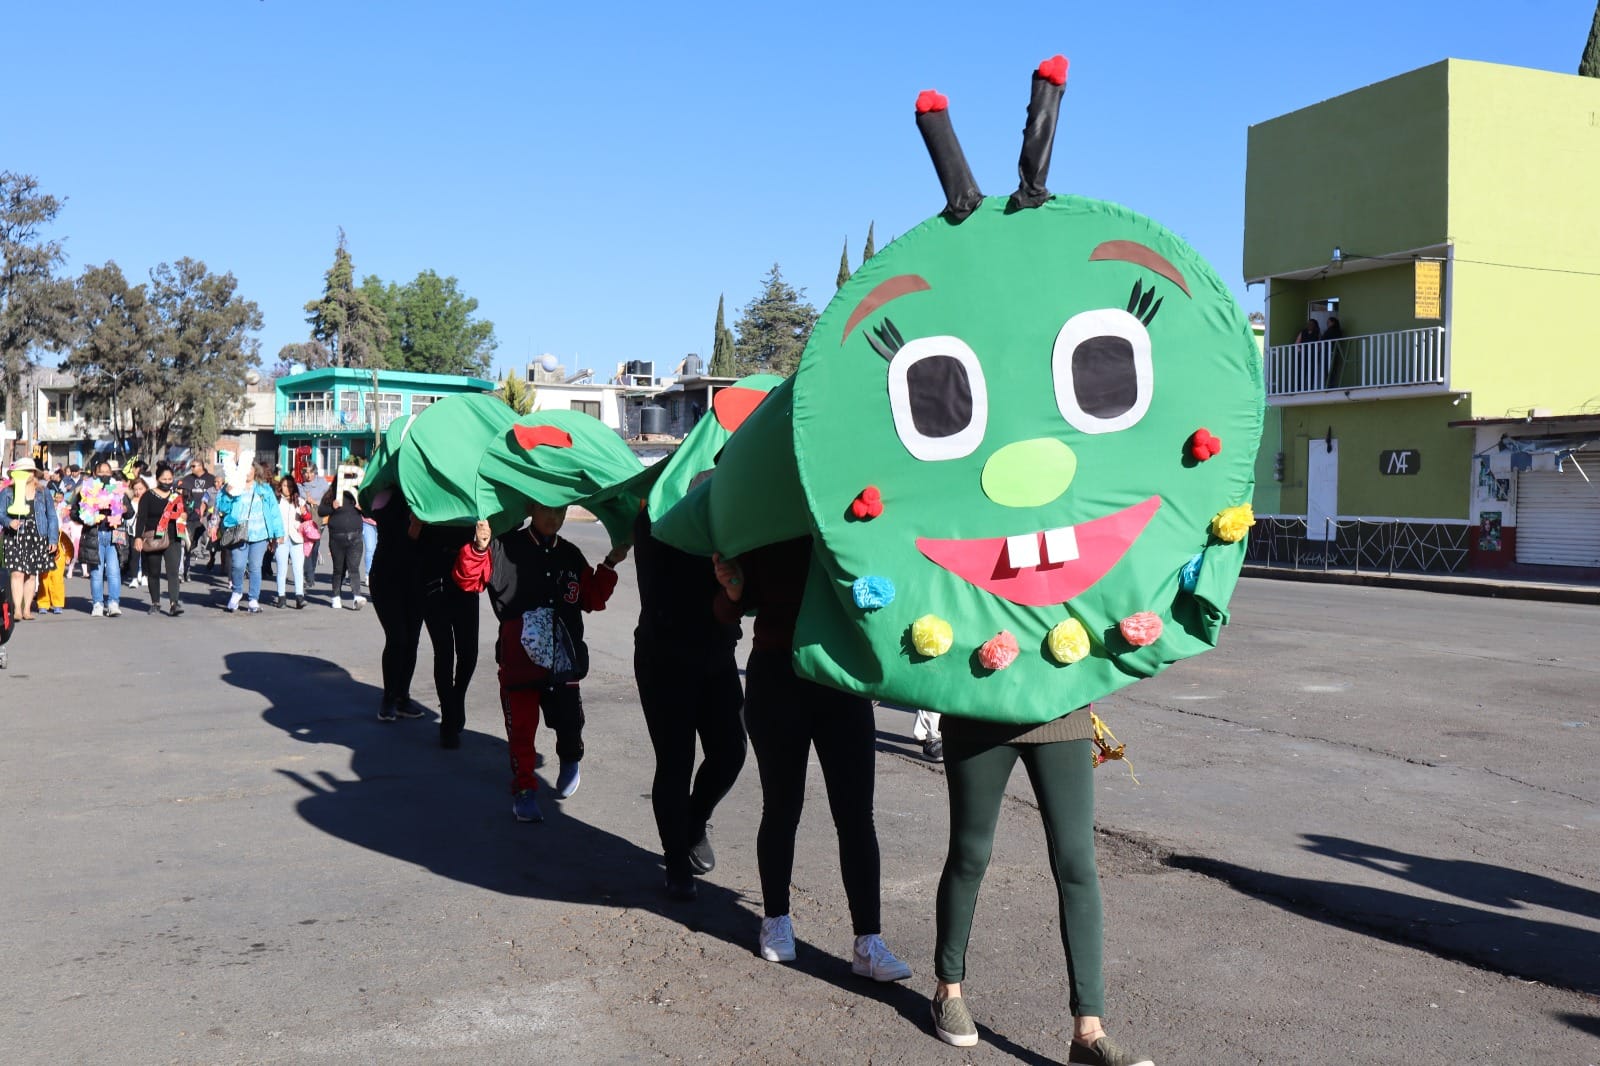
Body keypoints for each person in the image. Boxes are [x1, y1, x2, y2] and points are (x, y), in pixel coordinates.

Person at [711, 538, 912, 982]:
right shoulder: (766, 524)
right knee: (782, 808)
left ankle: (868, 942)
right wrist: (731, 590)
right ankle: (776, 919)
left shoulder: (850, 524)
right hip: (777, 675)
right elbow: (728, 614)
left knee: (857, 815)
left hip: (841, 682)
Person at [927, 706, 1151, 1066]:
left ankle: (1088, 1033)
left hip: (1061, 712)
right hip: (978, 710)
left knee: (1078, 866)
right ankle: (947, 990)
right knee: (970, 854)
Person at [452, 503, 627, 824]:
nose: (554, 518)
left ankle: (571, 760)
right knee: (521, 729)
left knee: (570, 722)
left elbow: (591, 598)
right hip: (519, 661)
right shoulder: (504, 547)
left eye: (561, 511)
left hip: (565, 660)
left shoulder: (571, 554)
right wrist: (478, 547)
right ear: (531, 507)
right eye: (548, 510)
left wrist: (610, 563)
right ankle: (524, 790)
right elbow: (468, 581)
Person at [632, 505, 747, 901]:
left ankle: (694, 823)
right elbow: (659, 582)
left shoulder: (726, 514)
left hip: (716, 652)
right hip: (664, 656)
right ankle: (676, 860)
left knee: (731, 752)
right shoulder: (655, 516)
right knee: (676, 763)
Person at [367, 490, 427, 724]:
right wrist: (415, 527)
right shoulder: (385, 493)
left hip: (415, 578)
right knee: (397, 638)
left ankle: (403, 696)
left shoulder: (427, 493)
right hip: (386, 577)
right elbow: (373, 506)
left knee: (412, 639)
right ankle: (388, 699)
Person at [418, 521, 479, 747]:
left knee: (469, 653)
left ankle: (456, 698)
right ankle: (448, 721)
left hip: (466, 583)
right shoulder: (426, 495)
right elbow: (412, 539)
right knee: (444, 653)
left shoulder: (470, 494)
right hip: (433, 583)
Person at [216, 461, 283, 614]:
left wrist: (278, 534)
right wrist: (227, 493)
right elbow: (222, 508)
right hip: (238, 533)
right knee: (238, 565)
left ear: (255, 471)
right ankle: (237, 592)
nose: (247, 473)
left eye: (249, 469)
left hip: (260, 534)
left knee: (255, 567)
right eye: (244, 470)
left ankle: (253, 599)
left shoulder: (264, 489)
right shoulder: (231, 487)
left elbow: (274, 511)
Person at [1, 459, 60, 622]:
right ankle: (17, 610)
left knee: (31, 575)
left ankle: (27, 609)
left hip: (37, 534)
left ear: (34, 474)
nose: (27, 474)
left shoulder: (43, 491)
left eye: (30, 471)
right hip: (15, 535)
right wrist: (8, 522)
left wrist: (53, 538)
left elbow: (52, 516)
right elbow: (0, 513)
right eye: (24, 471)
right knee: (17, 573)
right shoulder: (8, 492)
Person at [74, 459, 129, 617]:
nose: (104, 475)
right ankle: (97, 603)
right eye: (101, 472)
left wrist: (124, 509)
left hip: (113, 535)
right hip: (94, 534)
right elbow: (74, 512)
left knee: (113, 571)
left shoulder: (118, 490)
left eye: (107, 472)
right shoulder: (85, 489)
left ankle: (113, 603)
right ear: (94, 473)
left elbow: (129, 512)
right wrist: (87, 515)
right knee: (97, 573)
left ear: (111, 474)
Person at [133, 463, 188, 616]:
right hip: (153, 538)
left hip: (173, 537)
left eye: (170, 479)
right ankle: (155, 602)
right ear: (157, 479)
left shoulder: (176, 496)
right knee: (154, 572)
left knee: (173, 571)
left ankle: (174, 603)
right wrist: (138, 537)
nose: (167, 481)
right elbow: (141, 518)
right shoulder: (148, 496)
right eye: (164, 479)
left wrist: (184, 515)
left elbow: (184, 511)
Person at [318, 486, 365, 610]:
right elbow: (321, 511)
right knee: (339, 569)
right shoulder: (331, 494)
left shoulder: (357, 493)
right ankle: (336, 596)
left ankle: (357, 596)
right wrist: (331, 507)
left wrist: (363, 508)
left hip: (355, 536)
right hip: (336, 538)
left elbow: (370, 512)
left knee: (354, 567)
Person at [272, 476, 309, 609]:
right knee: (282, 569)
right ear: (280, 487)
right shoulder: (276, 501)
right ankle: (281, 597)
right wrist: (273, 537)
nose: (287, 489)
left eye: (290, 486)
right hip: (281, 539)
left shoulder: (299, 501)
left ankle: (299, 597)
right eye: (285, 486)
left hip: (297, 538)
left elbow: (308, 518)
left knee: (298, 569)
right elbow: (272, 519)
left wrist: (305, 513)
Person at [35, 488, 73, 615]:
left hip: (58, 560)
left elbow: (68, 545)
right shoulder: (40, 532)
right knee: (43, 582)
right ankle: (43, 604)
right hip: (44, 557)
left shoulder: (61, 533)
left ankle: (57, 604)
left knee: (57, 583)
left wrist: (69, 556)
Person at [178, 458, 217, 579]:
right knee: (188, 544)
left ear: (201, 466)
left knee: (211, 541)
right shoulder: (188, 479)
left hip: (208, 516)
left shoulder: (211, 479)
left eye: (193, 466)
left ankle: (212, 557)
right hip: (190, 516)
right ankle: (183, 570)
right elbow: (180, 493)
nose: (191, 468)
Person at [123, 475, 149, 589]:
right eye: (136, 489)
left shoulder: (149, 500)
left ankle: (144, 575)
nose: (138, 492)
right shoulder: (130, 500)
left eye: (141, 489)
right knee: (134, 555)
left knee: (146, 555)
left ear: (146, 488)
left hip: (146, 532)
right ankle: (134, 578)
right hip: (133, 531)